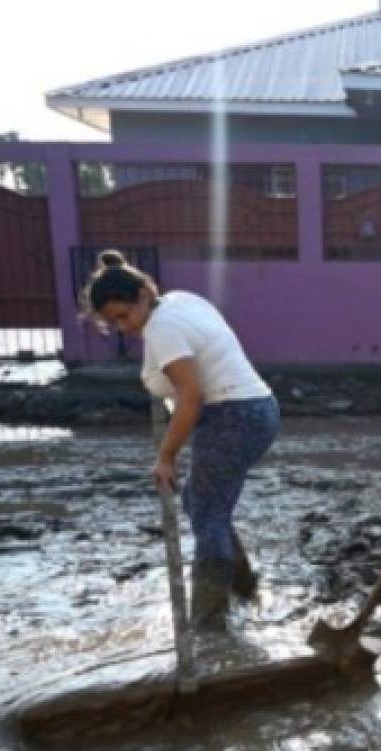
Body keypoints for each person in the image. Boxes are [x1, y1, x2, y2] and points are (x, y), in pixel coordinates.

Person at [84, 251, 279, 627]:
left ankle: (208, 626)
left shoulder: (162, 329)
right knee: (201, 503)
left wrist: (166, 457)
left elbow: (190, 398)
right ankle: (243, 586)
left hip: (232, 417)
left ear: (144, 295)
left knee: (208, 515)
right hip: (257, 409)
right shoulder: (180, 300)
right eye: (113, 323)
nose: (123, 328)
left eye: (124, 316)